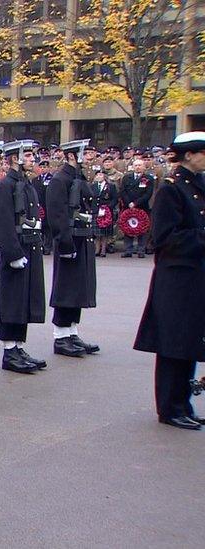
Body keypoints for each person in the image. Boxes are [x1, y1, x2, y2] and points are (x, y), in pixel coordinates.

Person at [134, 132, 205, 430]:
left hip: (194, 276)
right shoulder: (171, 190)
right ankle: (169, 407)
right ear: (188, 154)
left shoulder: (198, 186)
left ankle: (183, 402)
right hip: (176, 277)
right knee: (173, 343)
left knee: (190, 341)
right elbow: (164, 237)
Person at [0, 140, 47, 374]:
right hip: (16, 248)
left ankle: (18, 346)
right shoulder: (4, 186)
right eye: (29, 155)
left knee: (24, 299)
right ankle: (9, 349)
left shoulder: (27, 184)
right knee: (12, 301)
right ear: (15, 158)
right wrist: (12, 253)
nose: (33, 159)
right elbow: (3, 223)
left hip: (29, 246)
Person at [46, 140, 100, 358]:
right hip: (70, 240)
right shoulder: (60, 180)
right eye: (83, 153)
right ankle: (61, 336)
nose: (89, 157)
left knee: (78, 288)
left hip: (82, 238)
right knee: (66, 288)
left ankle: (71, 331)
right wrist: (65, 244)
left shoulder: (77, 178)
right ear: (71, 156)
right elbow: (57, 215)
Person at [119, 159, 156, 258]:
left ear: (144, 167)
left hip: (142, 206)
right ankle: (128, 250)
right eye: (135, 165)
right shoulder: (127, 178)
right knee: (128, 228)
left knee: (142, 228)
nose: (137, 167)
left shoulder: (149, 178)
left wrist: (135, 203)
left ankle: (141, 250)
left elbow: (148, 194)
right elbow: (123, 191)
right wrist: (129, 203)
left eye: (140, 165)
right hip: (128, 206)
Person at [92, 169, 118, 257]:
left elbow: (115, 199)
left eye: (101, 175)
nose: (99, 177)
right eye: (97, 175)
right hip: (96, 211)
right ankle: (97, 249)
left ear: (104, 177)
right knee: (96, 233)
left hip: (106, 212)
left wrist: (108, 207)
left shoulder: (111, 186)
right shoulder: (92, 186)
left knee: (104, 232)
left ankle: (103, 249)